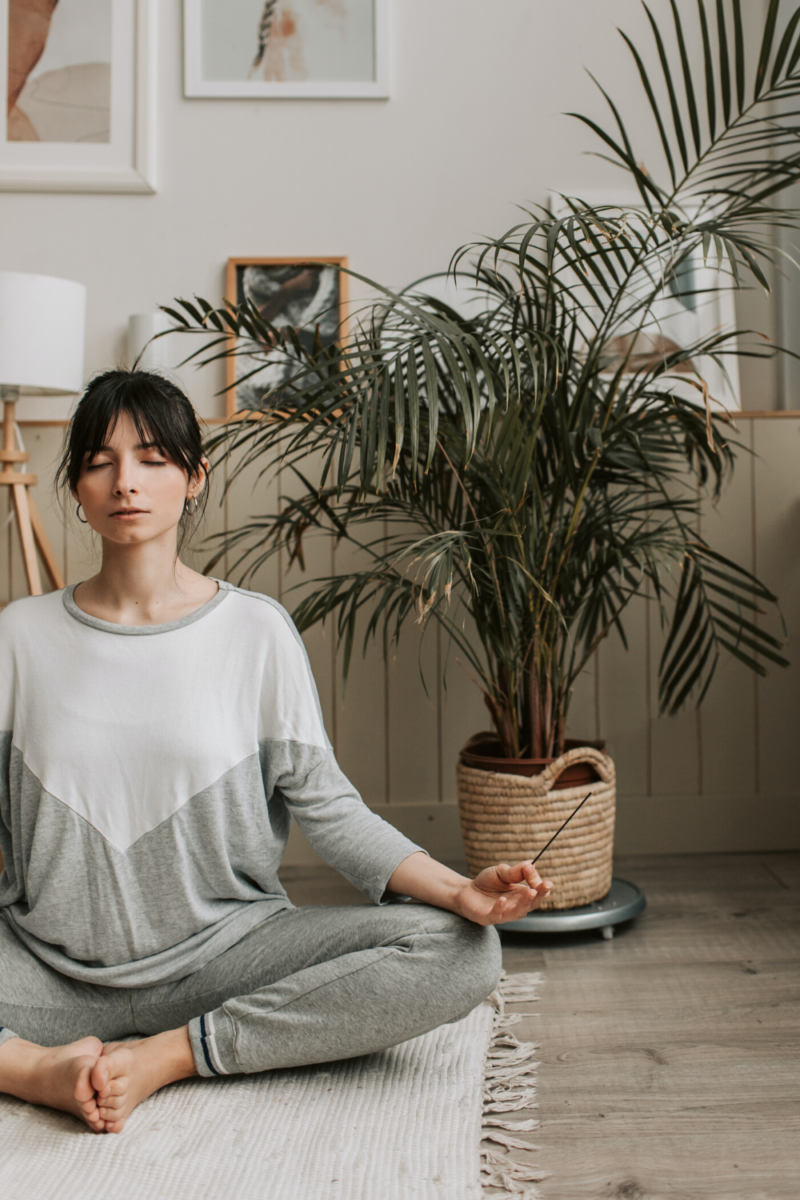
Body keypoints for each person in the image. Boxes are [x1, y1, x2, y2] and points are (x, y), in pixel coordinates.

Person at [0, 369, 552, 1134]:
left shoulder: (253, 632)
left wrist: (458, 891)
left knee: (463, 953)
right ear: (78, 484)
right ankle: (33, 1068)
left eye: (153, 458)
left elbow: (328, 808)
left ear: (195, 478)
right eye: (99, 460)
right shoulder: (19, 636)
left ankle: (174, 1055)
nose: (126, 480)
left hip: (227, 959)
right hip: (42, 974)